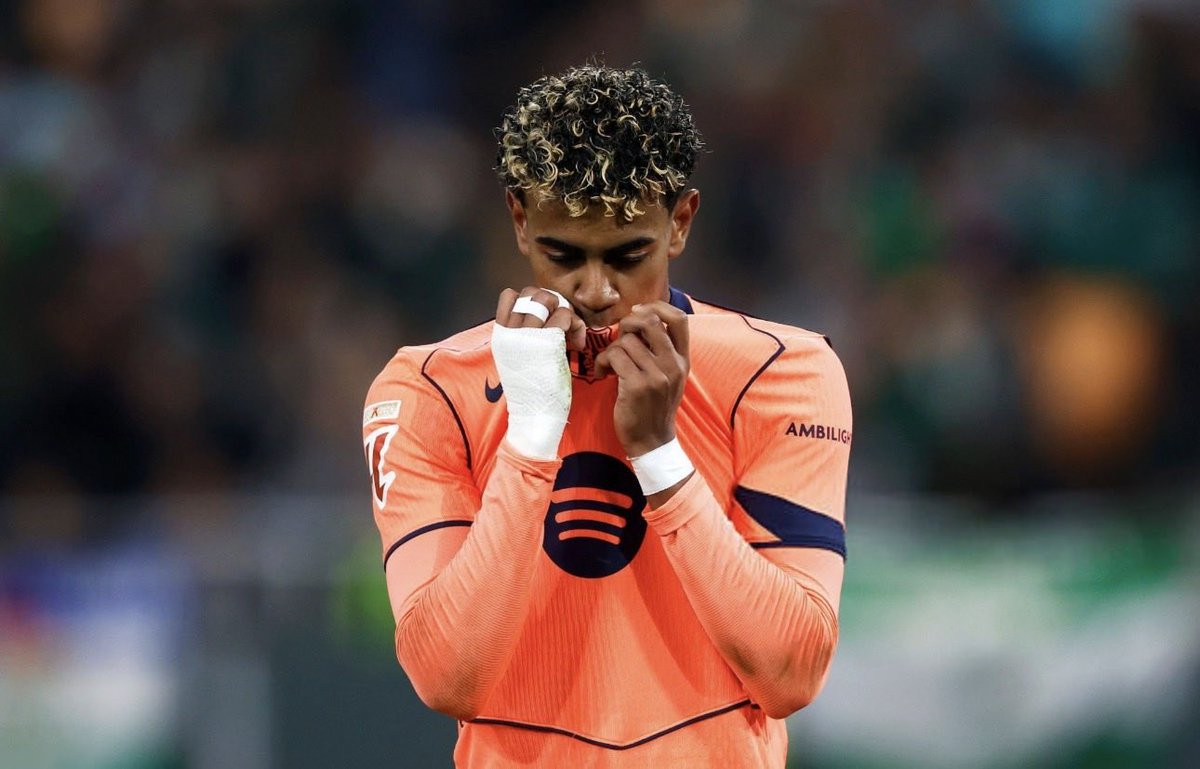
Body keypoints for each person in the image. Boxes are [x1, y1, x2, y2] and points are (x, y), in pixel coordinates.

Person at [362, 64, 852, 768]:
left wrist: (659, 454)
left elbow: (792, 673)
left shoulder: (783, 373)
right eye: (563, 256)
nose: (595, 290)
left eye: (628, 257)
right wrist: (533, 433)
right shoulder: (429, 389)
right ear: (520, 220)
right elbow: (447, 677)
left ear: (680, 223)